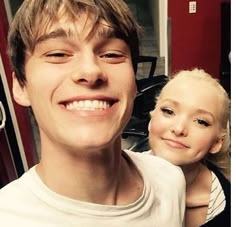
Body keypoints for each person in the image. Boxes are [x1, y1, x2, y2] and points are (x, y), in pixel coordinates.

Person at [0, 0, 186, 226]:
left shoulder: (170, 181)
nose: (91, 71)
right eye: (58, 54)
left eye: (111, 54)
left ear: (133, 82)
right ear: (20, 85)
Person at [148, 68, 231, 227]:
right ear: (152, 120)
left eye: (201, 121)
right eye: (168, 111)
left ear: (216, 143)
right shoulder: (113, 177)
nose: (179, 129)